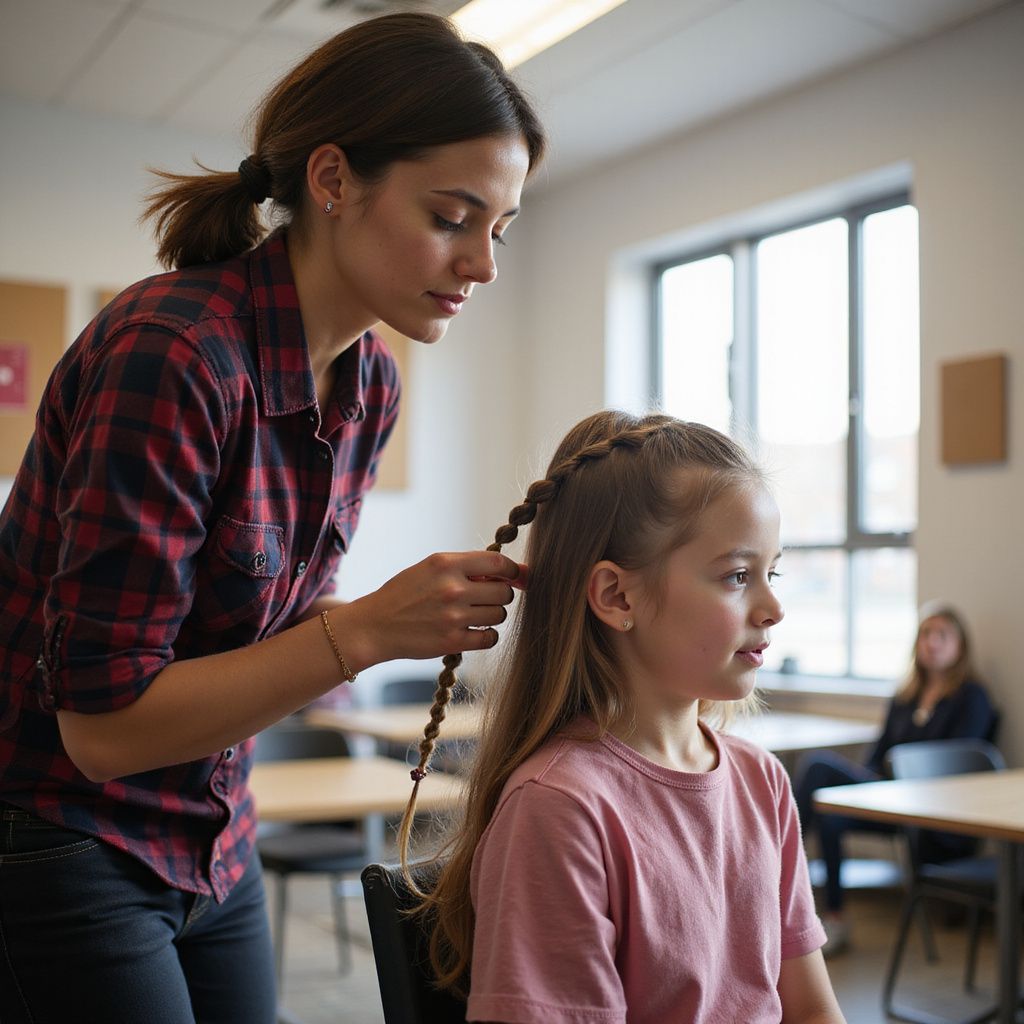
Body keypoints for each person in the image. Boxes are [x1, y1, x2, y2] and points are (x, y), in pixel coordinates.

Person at [0, 13, 545, 1023]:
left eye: (499, 230)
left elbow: (261, 624)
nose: (483, 264)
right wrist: (368, 630)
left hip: (212, 827)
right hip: (62, 831)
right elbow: (101, 732)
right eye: (452, 216)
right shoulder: (173, 352)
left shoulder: (370, 381)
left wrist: (380, 622)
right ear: (333, 181)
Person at [398, 411, 846, 1024]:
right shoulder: (558, 807)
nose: (772, 607)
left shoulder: (760, 780)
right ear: (616, 596)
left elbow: (813, 1010)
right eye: (738, 576)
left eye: (773, 573)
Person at [793, 603, 995, 958]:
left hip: (927, 806)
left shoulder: (971, 697)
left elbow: (952, 764)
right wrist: (872, 782)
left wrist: (891, 777)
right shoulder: (905, 696)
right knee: (821, 781)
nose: (932, 643)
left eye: (942, 636)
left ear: (960, 646)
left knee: (819, 772)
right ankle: (822, 908)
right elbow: (879, 752)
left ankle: (781, 873)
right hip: (885, 795)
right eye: (926, 635)